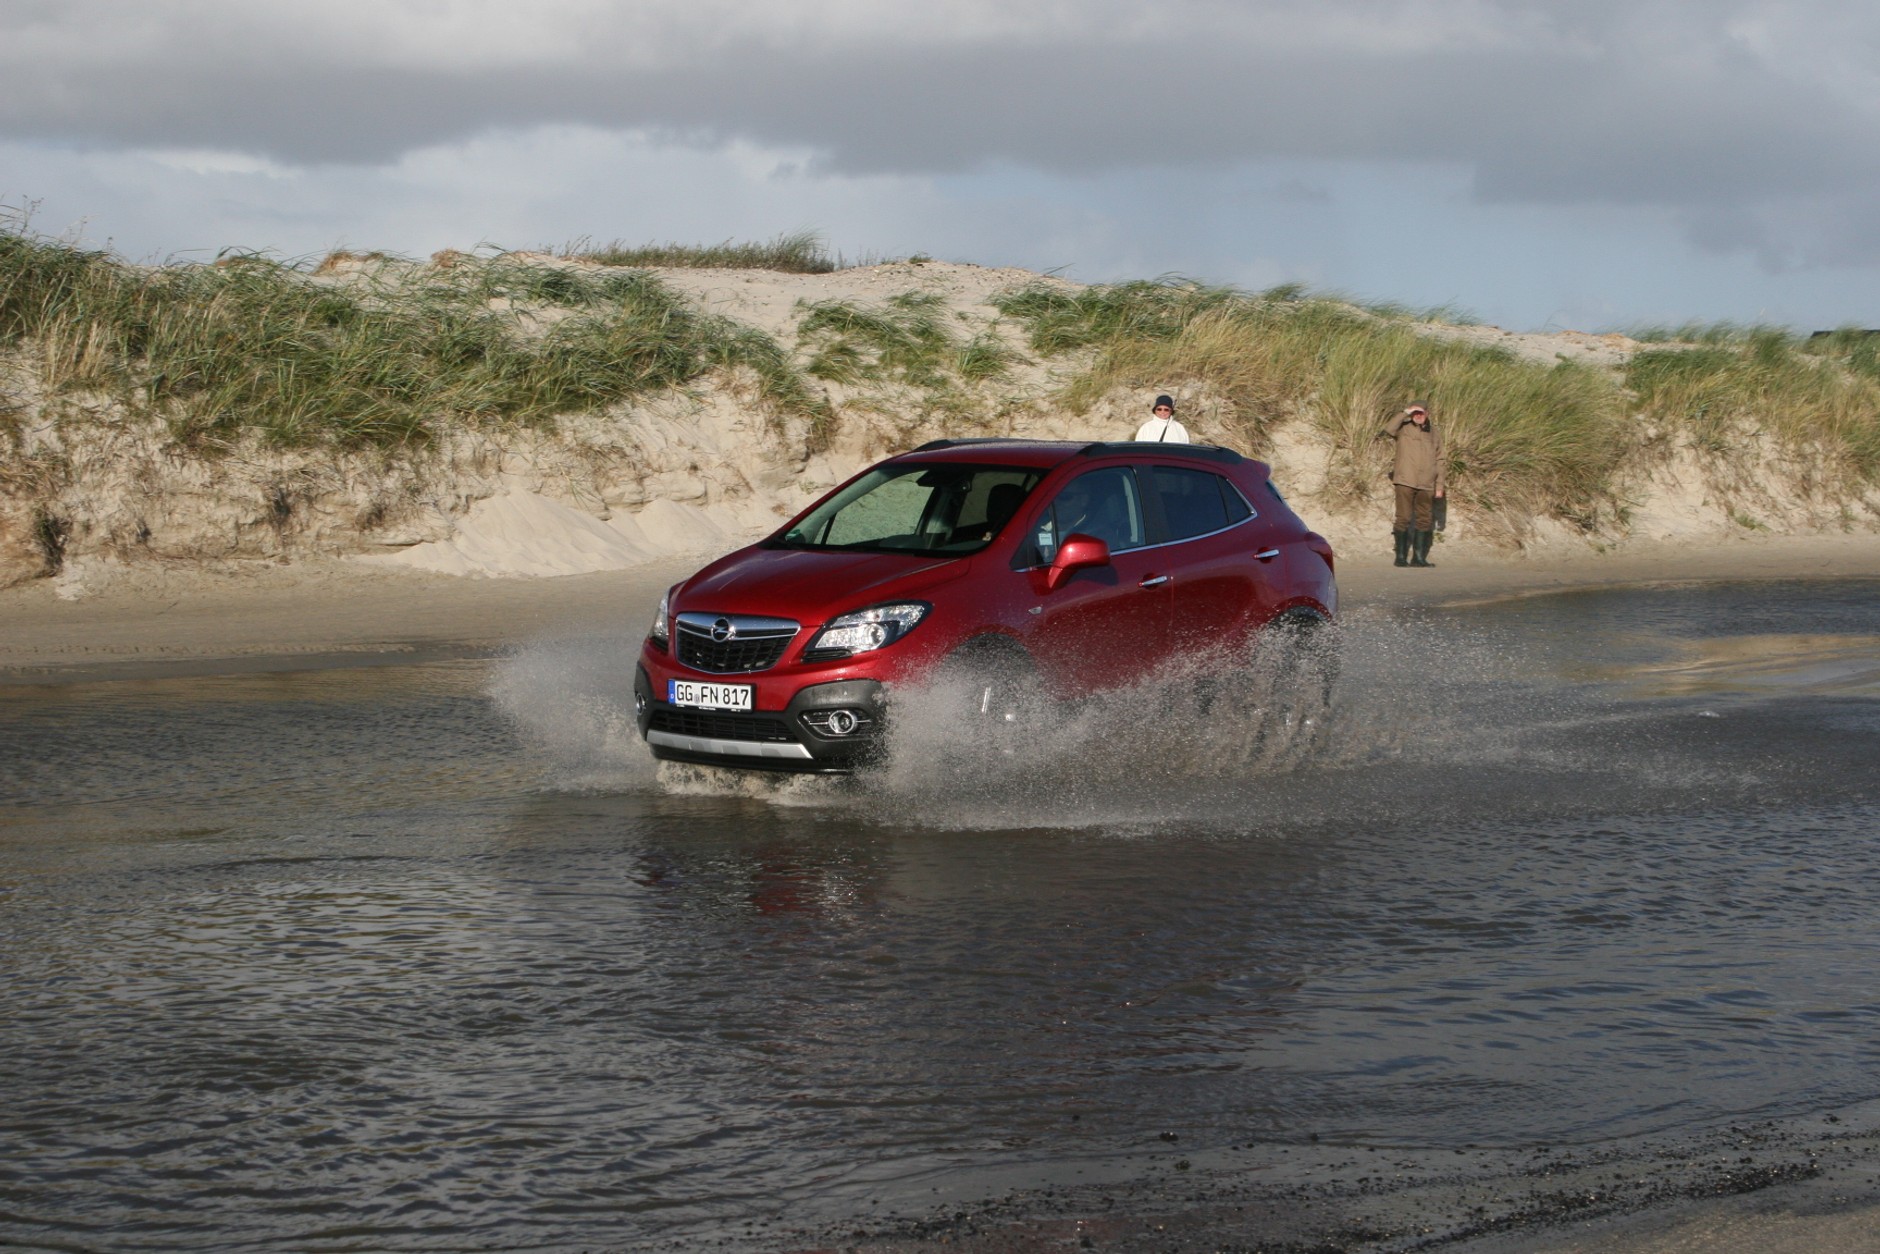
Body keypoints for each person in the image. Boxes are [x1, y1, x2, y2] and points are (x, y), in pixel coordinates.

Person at [1382, 402, 1445, 567]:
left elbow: (1441, 460)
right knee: (1403, 518)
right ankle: (1400, 557)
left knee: (1425, 520)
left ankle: (1418, 558)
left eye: (1421, 412)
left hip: (1427, 483)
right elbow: (1389, 429)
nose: (1418, 415)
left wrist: (1439, 486)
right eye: (1415, 412)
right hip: (1405, 480)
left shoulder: (1434, 433)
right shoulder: (1403, 427)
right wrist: (1405, 412)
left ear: (1427, 413)